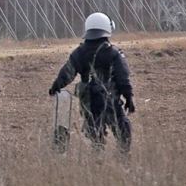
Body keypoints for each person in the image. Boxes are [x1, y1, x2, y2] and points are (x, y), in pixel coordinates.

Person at [49, 12, 135, 153]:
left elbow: (67, 73)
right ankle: (123, 157)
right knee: (123, 129)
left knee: (95, 133)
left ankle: (97, 157)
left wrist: (55, 87)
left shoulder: (79, 52)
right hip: (110, 101)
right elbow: (123, 78)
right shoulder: (114, 53)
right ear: (107, 29)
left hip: (88, 101)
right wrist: (129, 98)